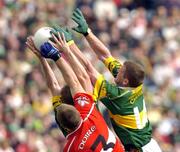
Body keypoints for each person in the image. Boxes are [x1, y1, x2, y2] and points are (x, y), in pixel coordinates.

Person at [63, 8, 162, 152]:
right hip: (150, 146)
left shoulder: (118, 96)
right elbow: (105, 55)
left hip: (139, 149)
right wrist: (87, 32)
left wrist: (70, 45)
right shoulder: (133, 84)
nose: (117, 70)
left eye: (121, 71)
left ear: (126, 81)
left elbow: (90, 70)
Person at [27, 33, 125, 151]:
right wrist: (59, 54)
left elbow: (53, 86)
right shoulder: (89, 111)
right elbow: (79, 80)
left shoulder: (70, 147)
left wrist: (41, 59)